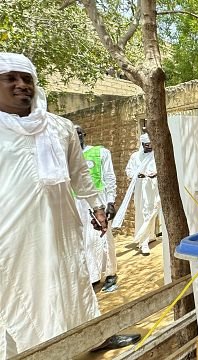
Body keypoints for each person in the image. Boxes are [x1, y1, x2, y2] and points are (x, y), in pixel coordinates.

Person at [0, 53, 139, 358]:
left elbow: (80, 175)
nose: (21, 84)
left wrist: (98, 207)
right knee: (22, 300)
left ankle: (92, 337)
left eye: (27, 78)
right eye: (10, 78)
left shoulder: (61, 128)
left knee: (73, 284)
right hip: (13, 239)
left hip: (62, 227)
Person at [74, 125, 119, 291]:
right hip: (77, 202)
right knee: (85, 241)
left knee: (103, 238)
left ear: (84, 135)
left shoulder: (100, 152)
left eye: (78, 133)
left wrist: (110, 202)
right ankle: (92, 275)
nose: (76, 137)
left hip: (97, 201)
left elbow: (109, 177)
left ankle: (110, 274)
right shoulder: (67, 157)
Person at [124, 133, 161, 256]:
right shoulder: (135, 157)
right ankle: (143, 242)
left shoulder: (156, 155)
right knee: (144, 212)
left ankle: (151, 236)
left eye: (151, 144)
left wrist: (154, 174)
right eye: (147, 145)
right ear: (142, 145)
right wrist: (138, 174)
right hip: (142, 187)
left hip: (154, 186)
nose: (149, 147)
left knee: (153, 211)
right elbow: (129, 171)